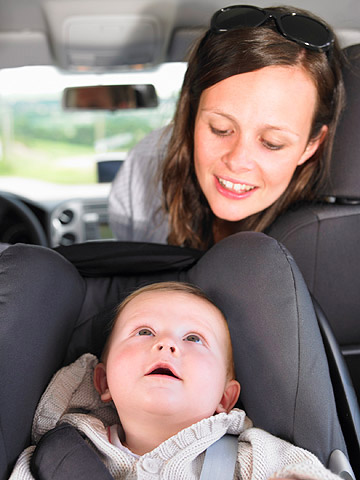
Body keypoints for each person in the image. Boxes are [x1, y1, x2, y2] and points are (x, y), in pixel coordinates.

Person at [10, 282, 343, 479]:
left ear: (224, 400)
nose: (166, 344)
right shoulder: (62, 454)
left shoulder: (254, 456)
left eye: (194, 338)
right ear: (103, 381)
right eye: (144, 332)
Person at [108, 4, 344, 249]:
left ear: (311, 145)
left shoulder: (327, 245)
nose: (237, 160)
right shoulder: (146, 168)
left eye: (272, 143)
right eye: (220, 129)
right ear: (191, 114)